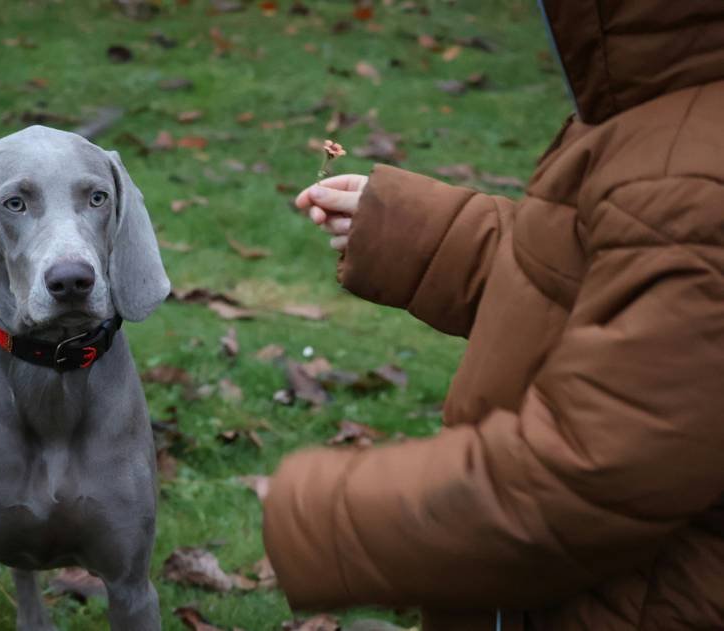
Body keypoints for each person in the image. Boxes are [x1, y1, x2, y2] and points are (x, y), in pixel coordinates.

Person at [262, 2, 724, 630]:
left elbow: (598, 473)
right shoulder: (666, 115)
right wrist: (425, 234)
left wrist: (328, 519)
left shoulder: (693, 169)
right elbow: (598, 282)